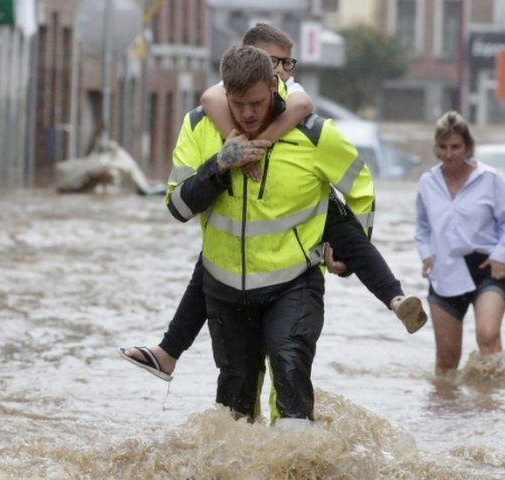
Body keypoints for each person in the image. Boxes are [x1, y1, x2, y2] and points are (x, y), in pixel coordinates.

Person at [119, 24, 426, 383]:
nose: (283, 69)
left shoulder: (303, 115)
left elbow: (303, 108)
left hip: (298, 256)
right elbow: (209, 103)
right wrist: (226, 157)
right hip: (229, 273)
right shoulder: (210, 111)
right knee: (210, 289)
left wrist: (259, 144)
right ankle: (169, 351)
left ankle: (393, 297)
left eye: (287, 63)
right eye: (274, 60)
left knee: (347, 240)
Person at [159, 44, 377, 426]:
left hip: (294, 280)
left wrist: (350, 245)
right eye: (238, 103)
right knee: (234, 405)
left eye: (257, 103)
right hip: (227, 287)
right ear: (225, 92)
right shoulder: (199, 125)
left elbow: (360, 186)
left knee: (289, 366)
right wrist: (221, 165)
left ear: (275, 88)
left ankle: (295, 455)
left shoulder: (314, 133)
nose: (247, 113)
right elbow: (178, 207)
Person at [415, 111, 505, 376]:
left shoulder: (489, 179)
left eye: (456, 147)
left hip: (486, 268)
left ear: (468, 147)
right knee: (447, 360)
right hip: (445, 272)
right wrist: (426, 254)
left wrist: (501, 256)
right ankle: (448, 414)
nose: (449, 154)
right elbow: (423, 226)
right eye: (443, 147)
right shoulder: (428, 182)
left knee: (488, 336)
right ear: (436, 148)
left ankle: (493, 409)